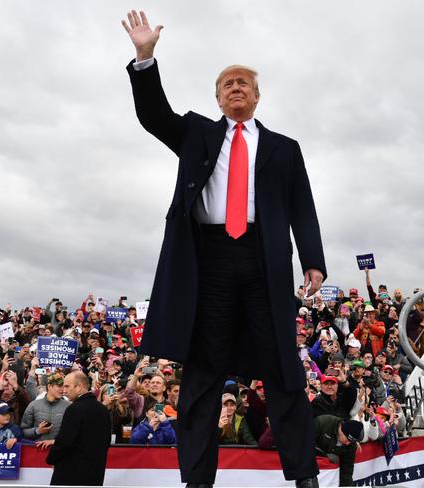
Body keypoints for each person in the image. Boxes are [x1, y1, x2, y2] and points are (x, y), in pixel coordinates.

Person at [122, 10, 326, 488]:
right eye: (227, 83)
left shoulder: (284, 147)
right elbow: (153, 115)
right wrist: (145, 57)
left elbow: (303, 205)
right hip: (207, 261)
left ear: (256, 96)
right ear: (217, 97)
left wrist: (313, 260)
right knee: (202, 375)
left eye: (243, 83)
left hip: (263, 260)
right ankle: (196, 480)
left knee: (283, 369)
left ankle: (304, 477)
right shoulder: (197, 133)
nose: (235, 88)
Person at [46, 371, 111, 486]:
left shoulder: (74, 409)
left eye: (67, 386)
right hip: (95, 474)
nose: (64, 390)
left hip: (71, 475)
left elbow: (64, 442)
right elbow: (107, 441)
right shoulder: (103, 409)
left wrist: (51, 459)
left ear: (79, 387)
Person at [20, 372, 69, 448]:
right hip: (38, 451)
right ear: (49, 386)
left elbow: (73, 433)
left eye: (65, 386)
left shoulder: (69, 406)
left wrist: (55, 442)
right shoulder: (33, 405)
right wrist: (38, 431)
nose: (63, 390)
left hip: (60, 452)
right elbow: (23, 431)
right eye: (59, 386)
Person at [312, 416, 363, 486]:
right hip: (310, 465)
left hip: (325, 476)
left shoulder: (351, 444)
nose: (348, 443)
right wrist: (325, 456)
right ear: (341, 431)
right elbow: (306, 444)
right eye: (347, 440)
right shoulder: (322, 423)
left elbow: (347, 469)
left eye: (351, 442)